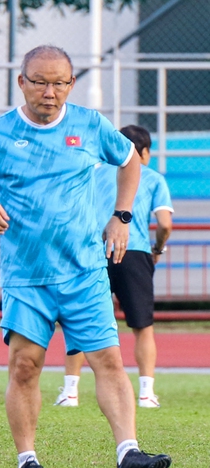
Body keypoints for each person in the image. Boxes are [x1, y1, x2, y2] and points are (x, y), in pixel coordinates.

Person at [0, 45, 172, 468]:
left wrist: (122, 217)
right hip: (27, 275)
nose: (50, 92)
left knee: (107, 359)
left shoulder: (89, 124)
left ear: (70, 83)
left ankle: (129, 455)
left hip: (85, 269)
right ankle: (27, 462)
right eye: (41, 82)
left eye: (60, 83)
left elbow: (129, 163)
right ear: (22, 82)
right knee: (26, 365)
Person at [55, 124, 173, 408]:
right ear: (144, 152)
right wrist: (157, 249)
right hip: (135, 252)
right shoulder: (153, 177)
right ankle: (146, 393)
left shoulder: (93, 174)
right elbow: (165, 224)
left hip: (94, 250)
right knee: (142, 326)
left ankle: (70, 391)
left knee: (80, 321)